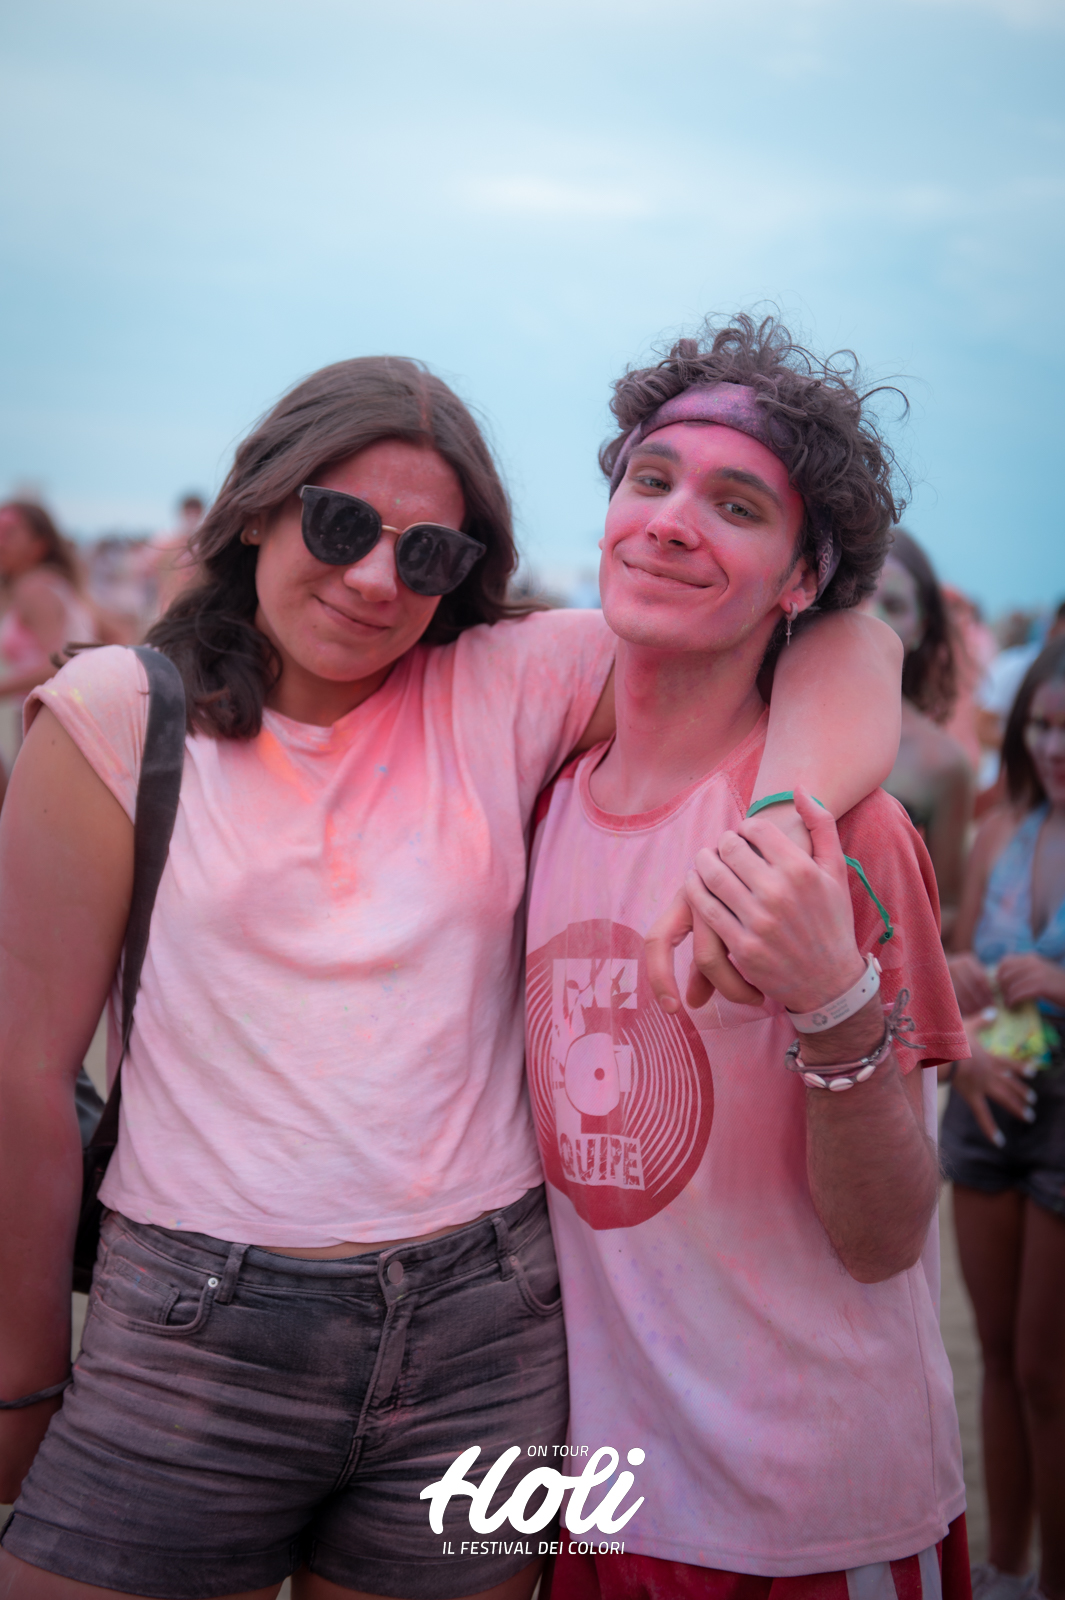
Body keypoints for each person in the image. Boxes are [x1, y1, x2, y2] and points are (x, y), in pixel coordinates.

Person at [0, 355, 900, 1600]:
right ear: (260, 505)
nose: (376, 578)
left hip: (483, 1330)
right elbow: (24, 1074)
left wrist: (774, 826)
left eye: (427, 554)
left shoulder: (507, 681)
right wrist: (22, 1376)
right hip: (191, 1330)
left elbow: (849, 636)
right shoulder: (118, 712)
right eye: (339, 524)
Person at [524, 317, 970, 1600]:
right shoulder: (541, 798)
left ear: (799, 579)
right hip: (602, 1499)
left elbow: (886, 1236)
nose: (671, 523)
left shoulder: (848, 832)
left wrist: (834, 1003)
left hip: (817, 1513)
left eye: (736, 506)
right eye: (650, 480)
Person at [940, 636, 1065, 1600]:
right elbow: (947, 965)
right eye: (1042, 725)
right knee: (990, 1358)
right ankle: (1004, 1571)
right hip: (984, 1098)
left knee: (1045, 1372)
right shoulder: (999, 830)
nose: (1054, 746)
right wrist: (962, 980)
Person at [865, 530, 974, 933]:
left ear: (922, 627)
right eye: (857, 596)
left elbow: (948, 908)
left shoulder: (943, 764)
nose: (872, 616)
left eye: (893, 605)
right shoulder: (769, 712)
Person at [0, 501, 97, 773]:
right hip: (61, 714)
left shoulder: (34, 588)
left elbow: (57, 663)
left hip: (45, 715)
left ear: (39, 545)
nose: (1, 542)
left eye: (9, 533)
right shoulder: (54, 583)